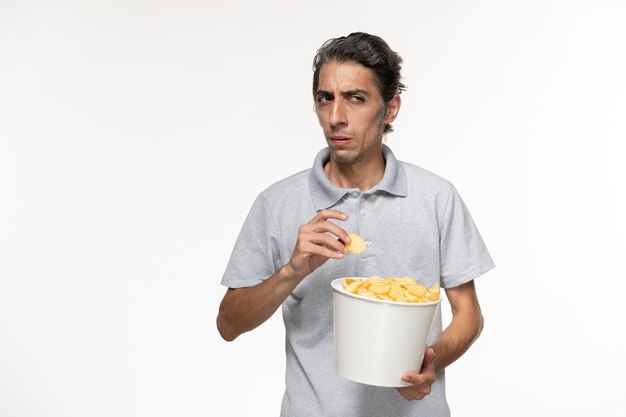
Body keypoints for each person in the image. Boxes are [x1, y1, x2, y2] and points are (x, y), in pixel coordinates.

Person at [217, 32, 495, 417]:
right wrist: (291, 270)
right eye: (325, 99)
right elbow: (228, 324)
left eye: (356, 98)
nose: (336, 117)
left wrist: (431, 361)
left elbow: (469, 313)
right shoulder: (276, 203)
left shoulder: (436, 197)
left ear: (391, 108)